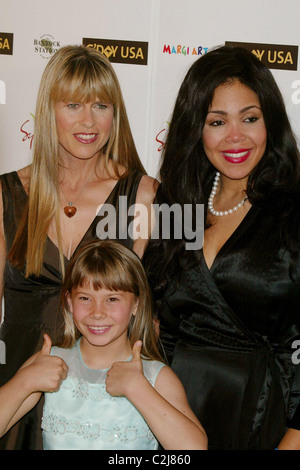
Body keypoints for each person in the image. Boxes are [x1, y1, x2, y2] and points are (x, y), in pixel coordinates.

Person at [143, 45, 300, 450]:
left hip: (266, 418)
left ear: (272, 123)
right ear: (196, 127)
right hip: (173, 418)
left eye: (250, 118)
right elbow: (156, 324)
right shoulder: (177, 206)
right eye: (217, 121)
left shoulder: (293, 210)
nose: (235, 136)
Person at [0, 45, 157, 449]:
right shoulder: (7, 195)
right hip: (17, 384)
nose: (88, 121)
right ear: (48, 110)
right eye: (73, 104)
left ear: (115, 113)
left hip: (100, 404)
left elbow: (151, 314)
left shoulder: (143, 196)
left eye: (101, 105)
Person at [0, 240, 207, 450]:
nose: (97, 312)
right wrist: (24, 381)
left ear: (136, 303)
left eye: (112, 299)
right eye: (85, 298)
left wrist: (139, 389)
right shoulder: (49, 362)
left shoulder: (155, 376)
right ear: (70, 303)